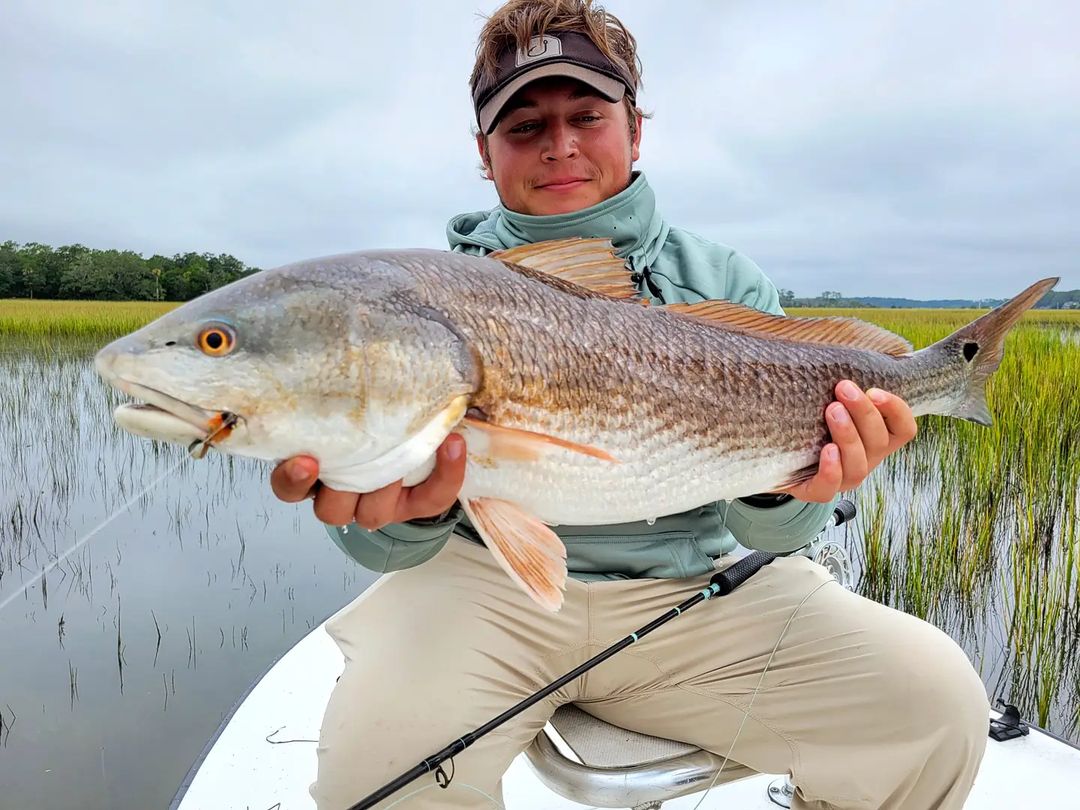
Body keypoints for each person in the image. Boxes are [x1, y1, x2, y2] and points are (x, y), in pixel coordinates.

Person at [272, 1, 990, 807]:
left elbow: (778, 531)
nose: (561, 145)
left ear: (636, 129)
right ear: (483, 153)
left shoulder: (728, 285)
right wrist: (404, 510)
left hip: (699, 592)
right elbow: (383, 550)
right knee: (371, 770)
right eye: (523, 127)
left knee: (935, 704)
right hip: (480, 587)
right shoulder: (415, 302)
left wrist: (792, 484)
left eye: (586, 114)